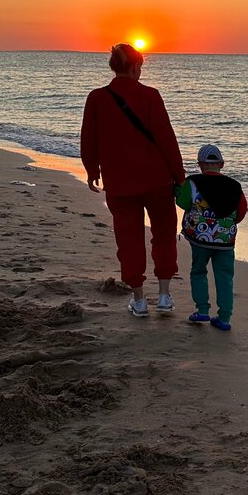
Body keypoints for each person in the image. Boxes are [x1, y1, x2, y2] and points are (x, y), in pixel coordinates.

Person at [80, 42, 185, 317]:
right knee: (163, 234)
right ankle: (164, 296)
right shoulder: (151, 96)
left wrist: (92, 170)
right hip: (157, 181)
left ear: (114, 67)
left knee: (129, 239)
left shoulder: (97, 98)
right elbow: (167, 139)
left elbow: (88, 139)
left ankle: (138, 300)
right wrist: (179, 176)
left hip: (120, 183)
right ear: (136, 66)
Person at [175, 143, 247, 330]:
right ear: (222, 164)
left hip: (200, 239)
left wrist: (178, 189)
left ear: (200, 164)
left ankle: (203, 310)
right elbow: (241, 212)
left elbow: (182, 203)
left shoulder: (193, 182)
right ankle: (224, 318)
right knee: (225, 277)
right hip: (226, 241)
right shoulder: (235, 186)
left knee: (198, 271)